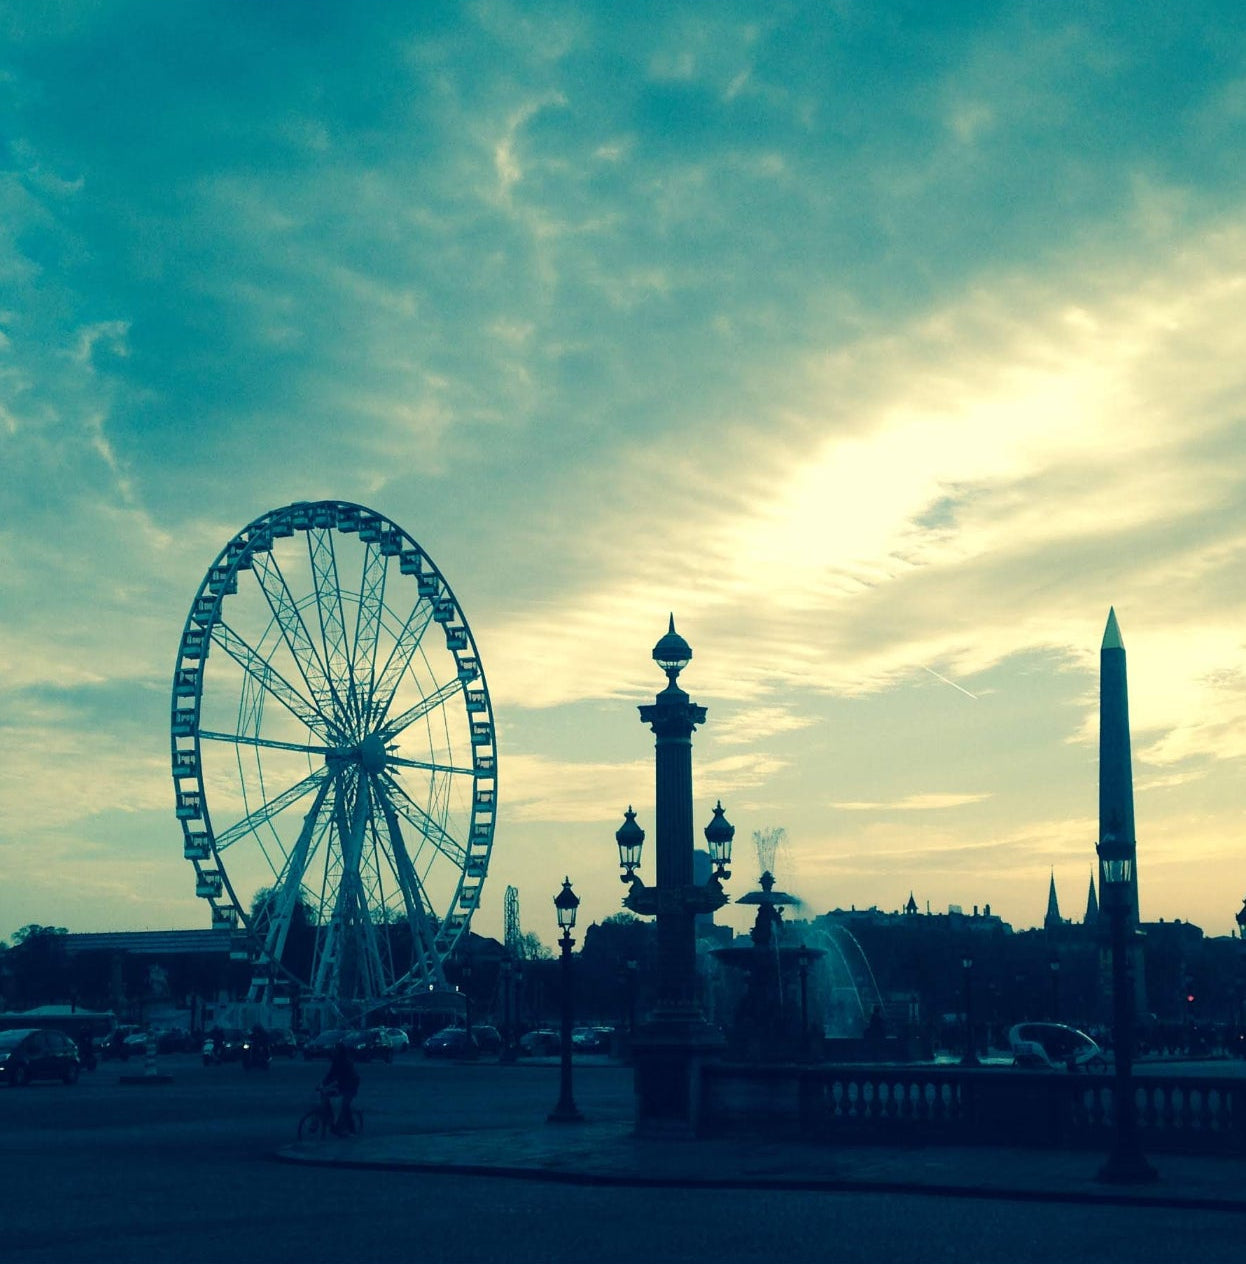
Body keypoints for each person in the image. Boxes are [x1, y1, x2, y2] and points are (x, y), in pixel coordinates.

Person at [321, 1043, 360, 1134]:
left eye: (336, 1050)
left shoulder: (346, 1062)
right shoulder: (336, 1061)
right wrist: (322, 1084)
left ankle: (351, 1128)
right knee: (326, 1098)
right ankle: (333, 1123)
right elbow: (330, 1074)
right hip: (341, 1085)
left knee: (345, 1106)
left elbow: (342, 1076)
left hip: (351, 1086)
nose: (334, 1052)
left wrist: (332, 1083)